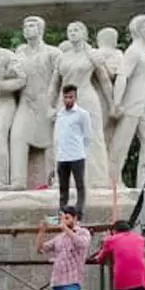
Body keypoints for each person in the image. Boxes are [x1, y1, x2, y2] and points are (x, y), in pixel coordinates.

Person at [54, 83, 94, 213]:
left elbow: (88, 136)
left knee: (80, 186)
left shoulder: (82, 114)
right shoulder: (60, 114)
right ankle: (62, 212)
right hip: (62, 156)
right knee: (63, 187)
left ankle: (79, 212)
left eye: (71, 97)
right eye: (66, 97)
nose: (68, 100)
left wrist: (83, 152)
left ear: (75, 98)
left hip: (77, 155)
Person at [92, 221, 145, 290]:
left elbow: (100, 258)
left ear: (114, 231)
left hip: (123, 279)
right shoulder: (140, 239)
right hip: (141, 278)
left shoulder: (111, 240)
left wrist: (105, 241)